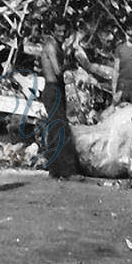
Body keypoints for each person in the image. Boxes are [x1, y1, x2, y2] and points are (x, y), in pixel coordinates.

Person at [40, 20, 81, 178]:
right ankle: (66, 171)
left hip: (56, 89)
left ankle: (54, 169)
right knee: (61, 129)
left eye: (64, 31)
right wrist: (70, 64)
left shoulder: (58, 46)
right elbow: (57, 71)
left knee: (55, 128)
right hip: (52, 89)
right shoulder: (51, 46)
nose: (62, 34)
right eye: (59, 31)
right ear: (53, 30)